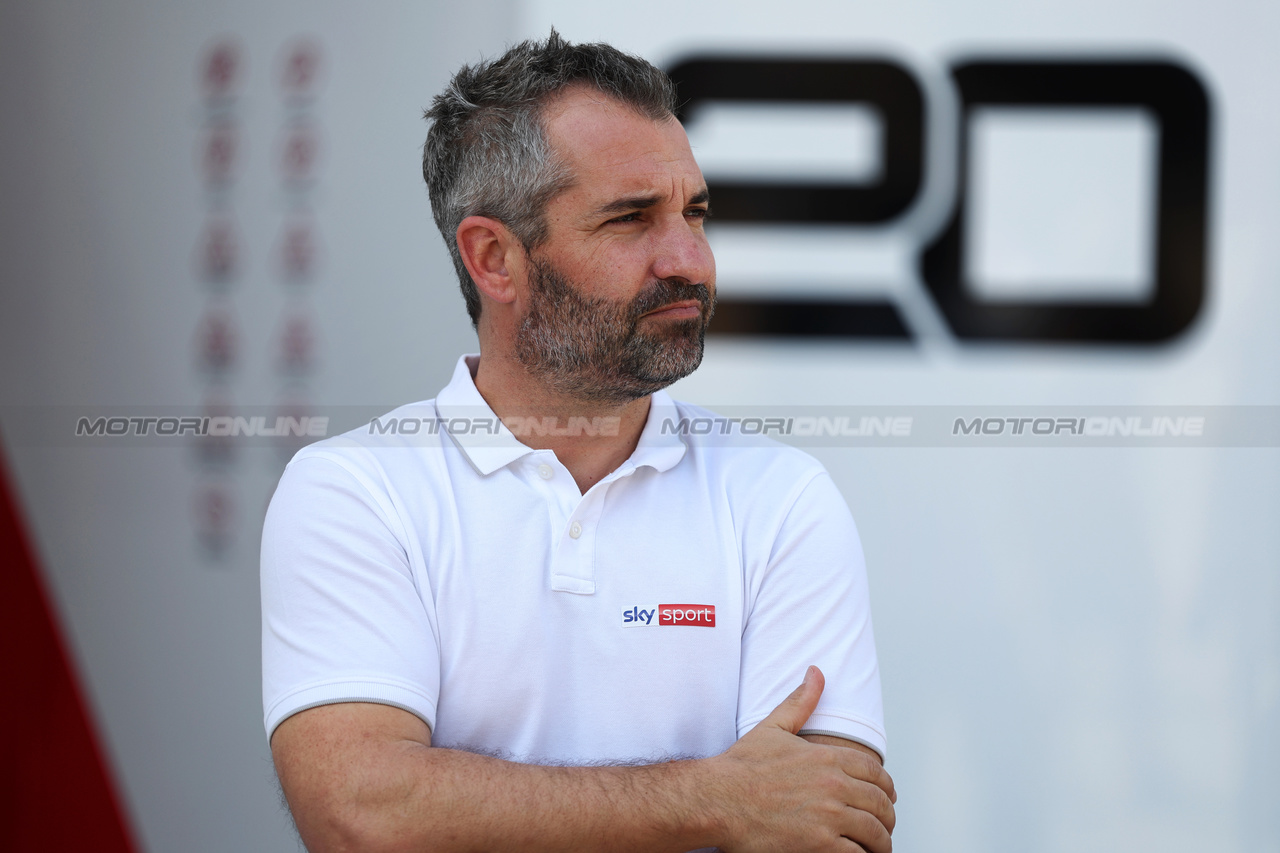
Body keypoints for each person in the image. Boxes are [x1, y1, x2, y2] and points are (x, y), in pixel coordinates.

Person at [262, 30, 895, 853]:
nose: (691, 261)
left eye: (694, 212)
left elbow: (825, 826)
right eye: (631, 218)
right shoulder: (356, 490)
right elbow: (365, 817)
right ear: (494, 258)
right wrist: (716, 797)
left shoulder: (779, 498)